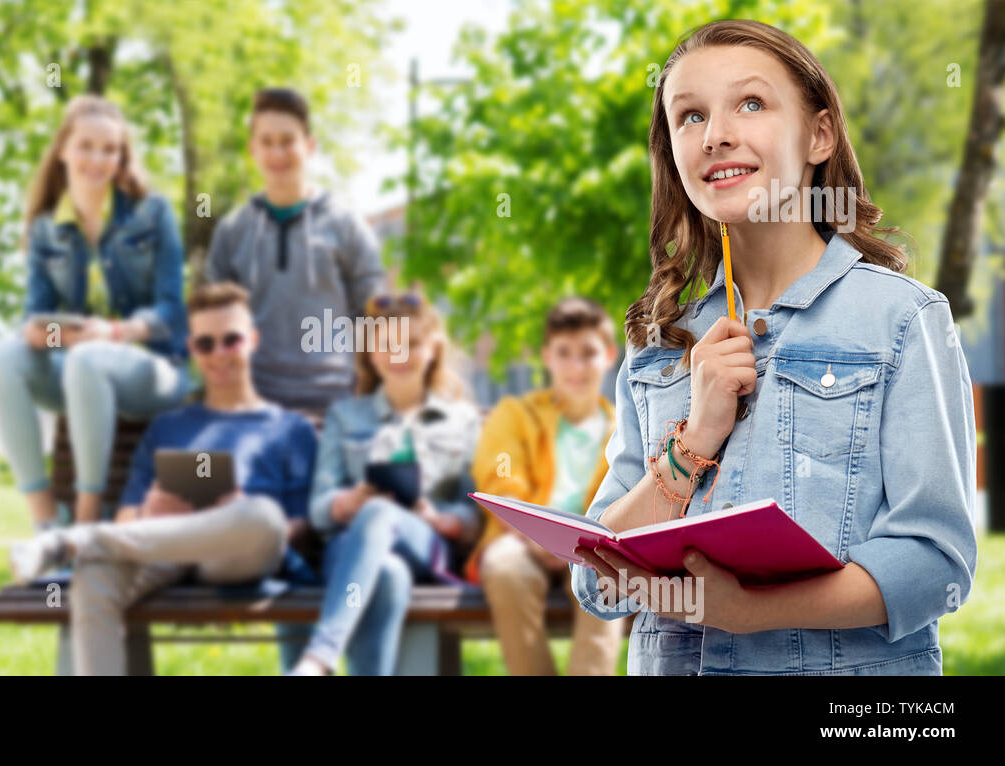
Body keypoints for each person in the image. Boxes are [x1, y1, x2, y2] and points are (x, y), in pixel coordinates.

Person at [570, 19, 976, 675]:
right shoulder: (656, 343)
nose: (716, 134)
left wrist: (752, 611)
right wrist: (695, 440)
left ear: (818, 135)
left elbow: (936, 562)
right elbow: (598, 582)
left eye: (751, 104)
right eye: (690, 116)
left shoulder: (904, 319)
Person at [8, 282, 318, 676]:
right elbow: (127, 521)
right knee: (94, 575)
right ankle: (80, 545)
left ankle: (75, 540)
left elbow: (298, 525)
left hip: (238, 552)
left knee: (264, 516)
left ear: (253, 340)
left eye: (231, 341)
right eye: (206, 345)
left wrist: (232, 514)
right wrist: (148, 513)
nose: (219, 354)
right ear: (191, 350)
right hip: (163, 550)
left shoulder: (289, 428)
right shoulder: (167, 427)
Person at [0, 95, 189, 528]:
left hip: (156, 370)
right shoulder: (45, 227)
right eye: (86, 146)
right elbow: (34, 318)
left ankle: (86, 518)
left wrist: (114, 333)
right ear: (62, 150)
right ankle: (47, 520)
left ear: (121, 157)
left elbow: (172, 312)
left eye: (110, 150)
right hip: (83, 368)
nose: (98, 159)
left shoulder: (153, 214)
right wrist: (51, 336)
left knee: (87, 357)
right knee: (4, 356)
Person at [289, 292, 482, 675]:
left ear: (432, 350)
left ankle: (319, 658)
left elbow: (475, 508)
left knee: (381, 512)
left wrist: (444, 520)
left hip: (427, 545)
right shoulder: (345, 416)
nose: (400, 354)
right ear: (371, 354)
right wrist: (348, 501)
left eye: (411, 343)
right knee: (388, 574)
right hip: (348, 550)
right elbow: (319, 507)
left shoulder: (461, 420)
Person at [204, 87, 386, 420]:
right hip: (252, 403)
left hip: (334, 403)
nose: (277, 153)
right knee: (195, 471)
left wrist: (371, 403)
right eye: (267, 142)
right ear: (252, 150)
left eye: (287, 141)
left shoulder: (347, 226)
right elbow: (211, 327)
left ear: (309, 146)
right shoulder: (232, 232)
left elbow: (376, 319)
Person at [469, 296, 625, 675]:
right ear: (547, 357)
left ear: (607, 355)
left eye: (587, 353)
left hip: (595, 549)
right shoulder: (515, 416)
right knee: (505, 567)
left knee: (611, 577)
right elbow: (500, 483)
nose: (576, 367)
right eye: (564, 353)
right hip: (524, 541)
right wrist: (540, 539)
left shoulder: (624, 430)